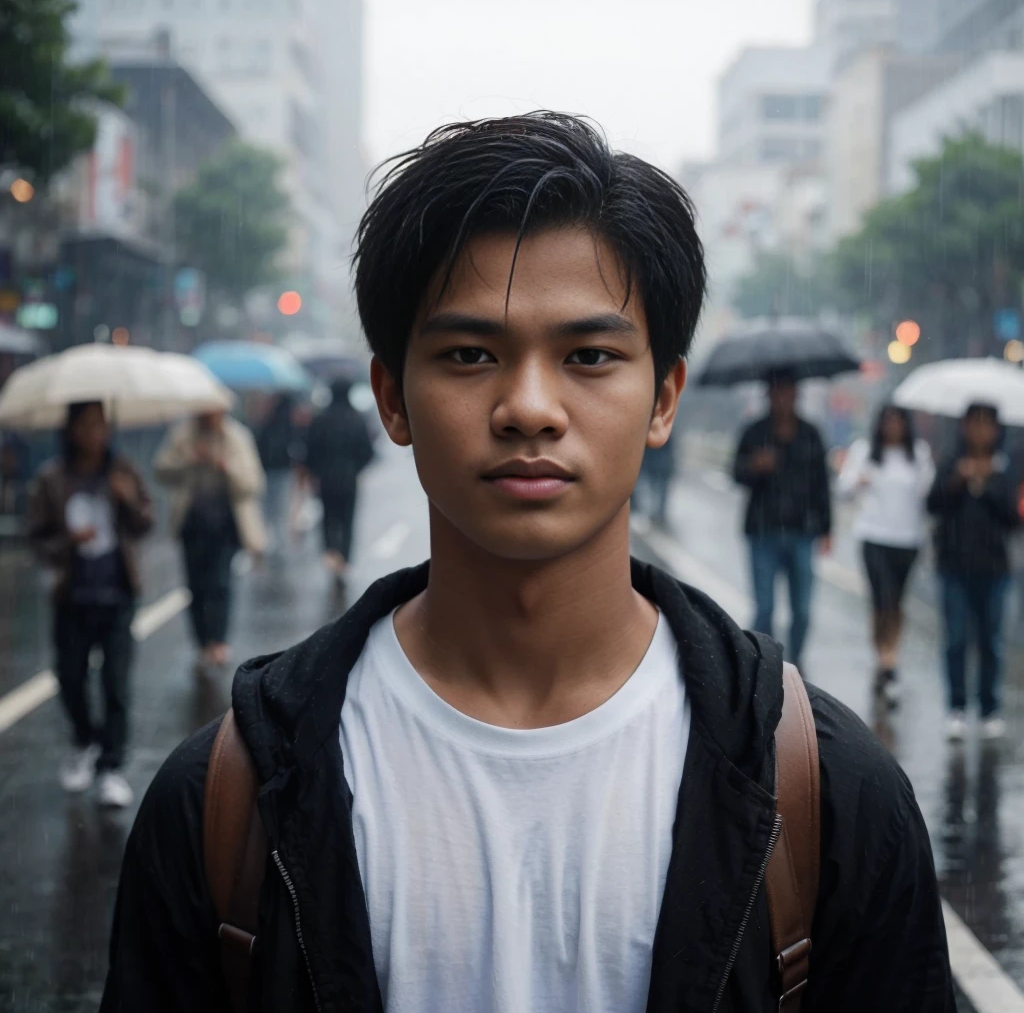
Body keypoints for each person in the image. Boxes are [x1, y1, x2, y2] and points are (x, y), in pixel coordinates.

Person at [101, 114, 953, 1012]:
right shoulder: (223, 805)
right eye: (471, 355)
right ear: (393, 396)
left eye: (589, 356)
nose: (530, 408)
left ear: (664, 397)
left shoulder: (829, 800)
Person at [27, 401, 153, 807]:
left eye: (101, 424)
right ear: (72, 429)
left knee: (116, 684)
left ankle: (111, 768)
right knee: (70, 678)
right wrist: (68, 542)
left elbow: (145, 523)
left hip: (118, 595)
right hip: (73, 598)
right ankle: (85, 741)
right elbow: (37, 539)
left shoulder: (123, 470)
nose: (95, 432)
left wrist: (128, 499)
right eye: (86, 424)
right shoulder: (52, 478)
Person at [927, 402, 1020, 741]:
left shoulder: (1007, 466)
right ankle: (956, 706)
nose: (980, 430)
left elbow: (1013, 517)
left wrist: (989, 484)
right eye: (974, 423)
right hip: (954, 565)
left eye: (987, 424)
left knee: (991, 641)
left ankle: (990, 708)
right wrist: (958, 480)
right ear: (964, 426)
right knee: (955, 639)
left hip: (994, 568)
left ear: (996, 429)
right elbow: (932, 504)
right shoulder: (951, 459)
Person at [732, 373, 832, 667]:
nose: (783, 399)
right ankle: (765, 666)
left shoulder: (810, 434)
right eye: (777, 393)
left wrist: (827, 527)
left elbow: (822, 485)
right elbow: (736, 472)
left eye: (788, 393)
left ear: (796, 395)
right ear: (769, 396)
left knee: (802, 609)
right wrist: (754, 466)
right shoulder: (754, 432)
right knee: (764, 607)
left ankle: (797, 662)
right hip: (763, 531)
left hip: (803, 531)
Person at [154, 409, 266, 671]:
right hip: (192, 524)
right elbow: (161, 469)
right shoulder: (182, 436)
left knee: (221, 581)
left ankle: (219, 640)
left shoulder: (237, 437)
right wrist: (190, 460)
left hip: (226, 523)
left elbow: (253, 483)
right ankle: (202, 641)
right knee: (196, 585)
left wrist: (225, 467)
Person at [838, 404, 934, 704]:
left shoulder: (917, 454)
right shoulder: (865, 451)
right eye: (888, 421)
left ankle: (886, 659)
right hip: (874, 536)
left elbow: (929, 493)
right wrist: (858, 481)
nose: (893, 427)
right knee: (882, 599)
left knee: (896, 603)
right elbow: (843, 488)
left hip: (907, 539)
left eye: (898, 421)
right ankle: (888, 661)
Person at [303, 377, 375, 581]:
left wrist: (316, 471)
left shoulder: (320, 419)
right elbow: (368, 452)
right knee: (347, 519)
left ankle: (331, 553)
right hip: (349, 479)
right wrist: (356, 469)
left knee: (328, 517)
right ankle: (344, 558)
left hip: (325, 480)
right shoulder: (356, 419)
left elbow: (309, 450)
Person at [255, 393, 299, 552]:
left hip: (270, 470)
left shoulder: (268, 421)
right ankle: (278, 542)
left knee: (269, 507)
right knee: (279, 508)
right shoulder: (287, 423)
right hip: (281, 470)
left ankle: (271, 541)